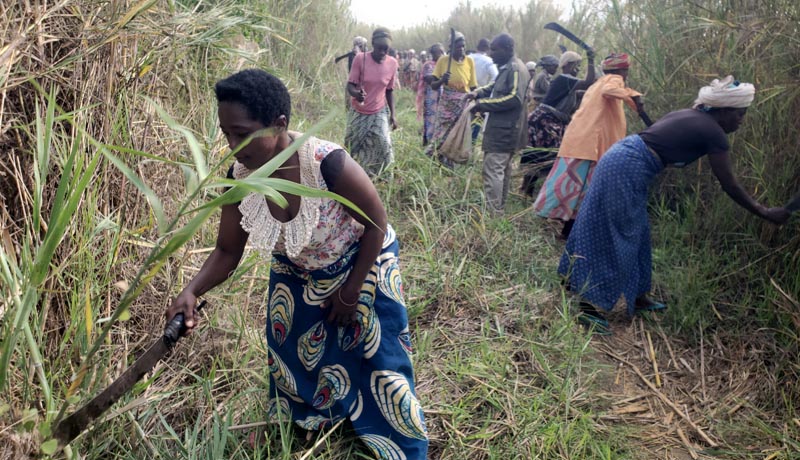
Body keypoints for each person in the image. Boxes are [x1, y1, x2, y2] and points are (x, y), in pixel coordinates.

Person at [166, 69, 429, 458]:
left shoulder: (326, 164)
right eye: (226, 134)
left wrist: (352, 291)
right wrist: (191, 290)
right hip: (297, 265)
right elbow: (227, 251)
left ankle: (396, 439)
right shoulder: (239, 177)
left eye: (243, 133)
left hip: (362, 255)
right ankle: (310, 418)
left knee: (376, 352)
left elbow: (377, 223)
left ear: (279, 124)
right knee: (290, 347)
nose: (233, 145)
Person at [559, 75, 790, 335]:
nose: (741, 120)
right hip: (627, 167)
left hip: (622, 159)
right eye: (739, 114)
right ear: (723, 111)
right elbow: (730, 185)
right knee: (618, 231)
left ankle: (637, 296)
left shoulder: (692, 115)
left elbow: (658, 133)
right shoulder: (713, 132)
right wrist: (764, 211)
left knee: (637, 230)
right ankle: (589, 306)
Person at [534, 53, 644, 238]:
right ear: (622, 70)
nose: (626, 74)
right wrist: (633, 96)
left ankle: (566, 230)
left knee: (574, 190)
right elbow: (609, 90)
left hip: (579, 142)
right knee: (585, 192)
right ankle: (569, 232)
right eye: (626, 70)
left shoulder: (598, 82)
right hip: (591, 146)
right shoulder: (613, 80)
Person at [466, 33, 530, 215]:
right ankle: (498, 210)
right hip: (505, 129)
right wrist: (477, 93)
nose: (491, 53)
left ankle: (493, 213)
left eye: (495, 49)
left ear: (507, 49)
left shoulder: (515, 69)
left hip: (504, 131)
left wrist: (482, 105)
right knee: (501, 171)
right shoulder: (507, 68)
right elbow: (494, 87)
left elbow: (514, 98)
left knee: (493, 171)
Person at [522, 50, 596, 196]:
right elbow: (588, 83)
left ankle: (529, 191)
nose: (579, 69)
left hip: (548, 121)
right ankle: (533, 192)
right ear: (569, 65)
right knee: (542, 157)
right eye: (577, 65)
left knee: (540, 156)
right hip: (545, 122)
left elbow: (587, 89)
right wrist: (591, 59)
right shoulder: (564, 78)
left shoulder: (568, 83)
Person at [345, 28, 399, 176]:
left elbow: (389, 90)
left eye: (386, 49)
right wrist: (357, 94)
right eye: (379, 48)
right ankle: (354, 175)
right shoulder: (360, 59)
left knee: (384, 144)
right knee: (352, 146)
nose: (382, 52)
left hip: (378, 110)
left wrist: (393, 114)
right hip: (358, 111)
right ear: (373, 44)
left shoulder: (392, 63)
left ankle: (384, 175)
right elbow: (350, 85)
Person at [425, 31, 477, 164]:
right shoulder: (443, 61)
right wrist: (442, 80)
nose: (461, 49)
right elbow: (434, 85)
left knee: (455, 134)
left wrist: (476, 102)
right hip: (446, 103)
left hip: (462, 103)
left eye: (463, 46)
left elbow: (473, 86)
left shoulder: (469, 61)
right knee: (441, 133)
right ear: (451, 48)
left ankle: (450, 162)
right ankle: (435, 158)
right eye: (458, 46)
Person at [468, 38, 499, 144]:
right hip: (481, 95)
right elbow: (496, 78)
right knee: (476, 122)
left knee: (463, 122)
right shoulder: (489, 61)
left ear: (477, 47)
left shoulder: (468, 58)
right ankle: (471, 146)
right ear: (488, 48)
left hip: (466, 94)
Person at [416, 43, 444, 146]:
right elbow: (429, 78)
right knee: (430, 120)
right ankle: (428, 143)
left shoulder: (444, 64)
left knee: (440, 120)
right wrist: (442, 78)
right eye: (438, 52)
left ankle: (436, 143)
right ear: (433, 54)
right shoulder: (429, 65)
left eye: (442, 51)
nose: (441, 54)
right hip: (431, 97)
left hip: (442, 97)